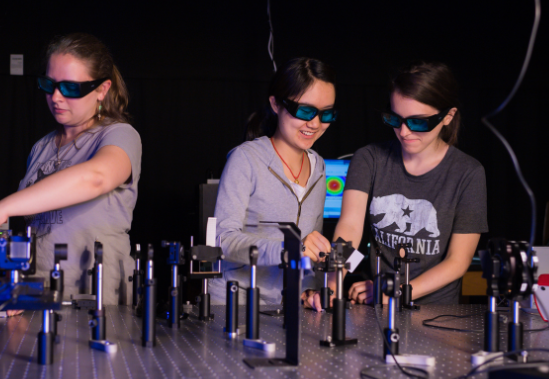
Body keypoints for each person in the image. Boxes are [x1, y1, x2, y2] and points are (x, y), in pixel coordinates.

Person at [0, 33, 141, 305]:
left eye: (70, 88)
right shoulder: (41, 148)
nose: (56, 97)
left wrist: (0, 209)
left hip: (98, 300)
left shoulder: (120, 135)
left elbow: (97, 178)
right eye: (49, 85)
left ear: (101, 90)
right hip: (39, 296)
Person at [335, 61, 488, 305]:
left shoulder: (468, 172)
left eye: (418, 122)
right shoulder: (369, 158)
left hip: (435, 317)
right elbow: (350, 229)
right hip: (379, 307)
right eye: (395, 119)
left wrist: (395, 292)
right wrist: (333, 283)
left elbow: (458, 261)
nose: (404, 131)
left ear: (448, 116)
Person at [207, 57, 337, 310]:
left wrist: (308, 290)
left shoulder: (320, 167)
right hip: (236, 304)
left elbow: (310, 248)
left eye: (327, 114)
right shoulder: (245, 158)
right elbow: (224, 239)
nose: (315, 123)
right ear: (276, 104)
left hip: (288, 308)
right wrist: (288, 249)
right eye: (305, 111)